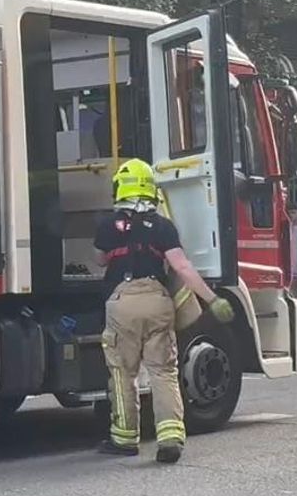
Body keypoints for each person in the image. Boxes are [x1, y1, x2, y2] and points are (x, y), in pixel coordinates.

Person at [93, 159, 234, 463]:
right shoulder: (162, 226)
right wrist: (212, 300)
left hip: (122, 301)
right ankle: (170, 437)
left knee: (122, 372)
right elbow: (182, 266)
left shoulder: (109, 224)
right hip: (158, 301)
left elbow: (101, 260)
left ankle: (124, 438)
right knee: (163, 371)